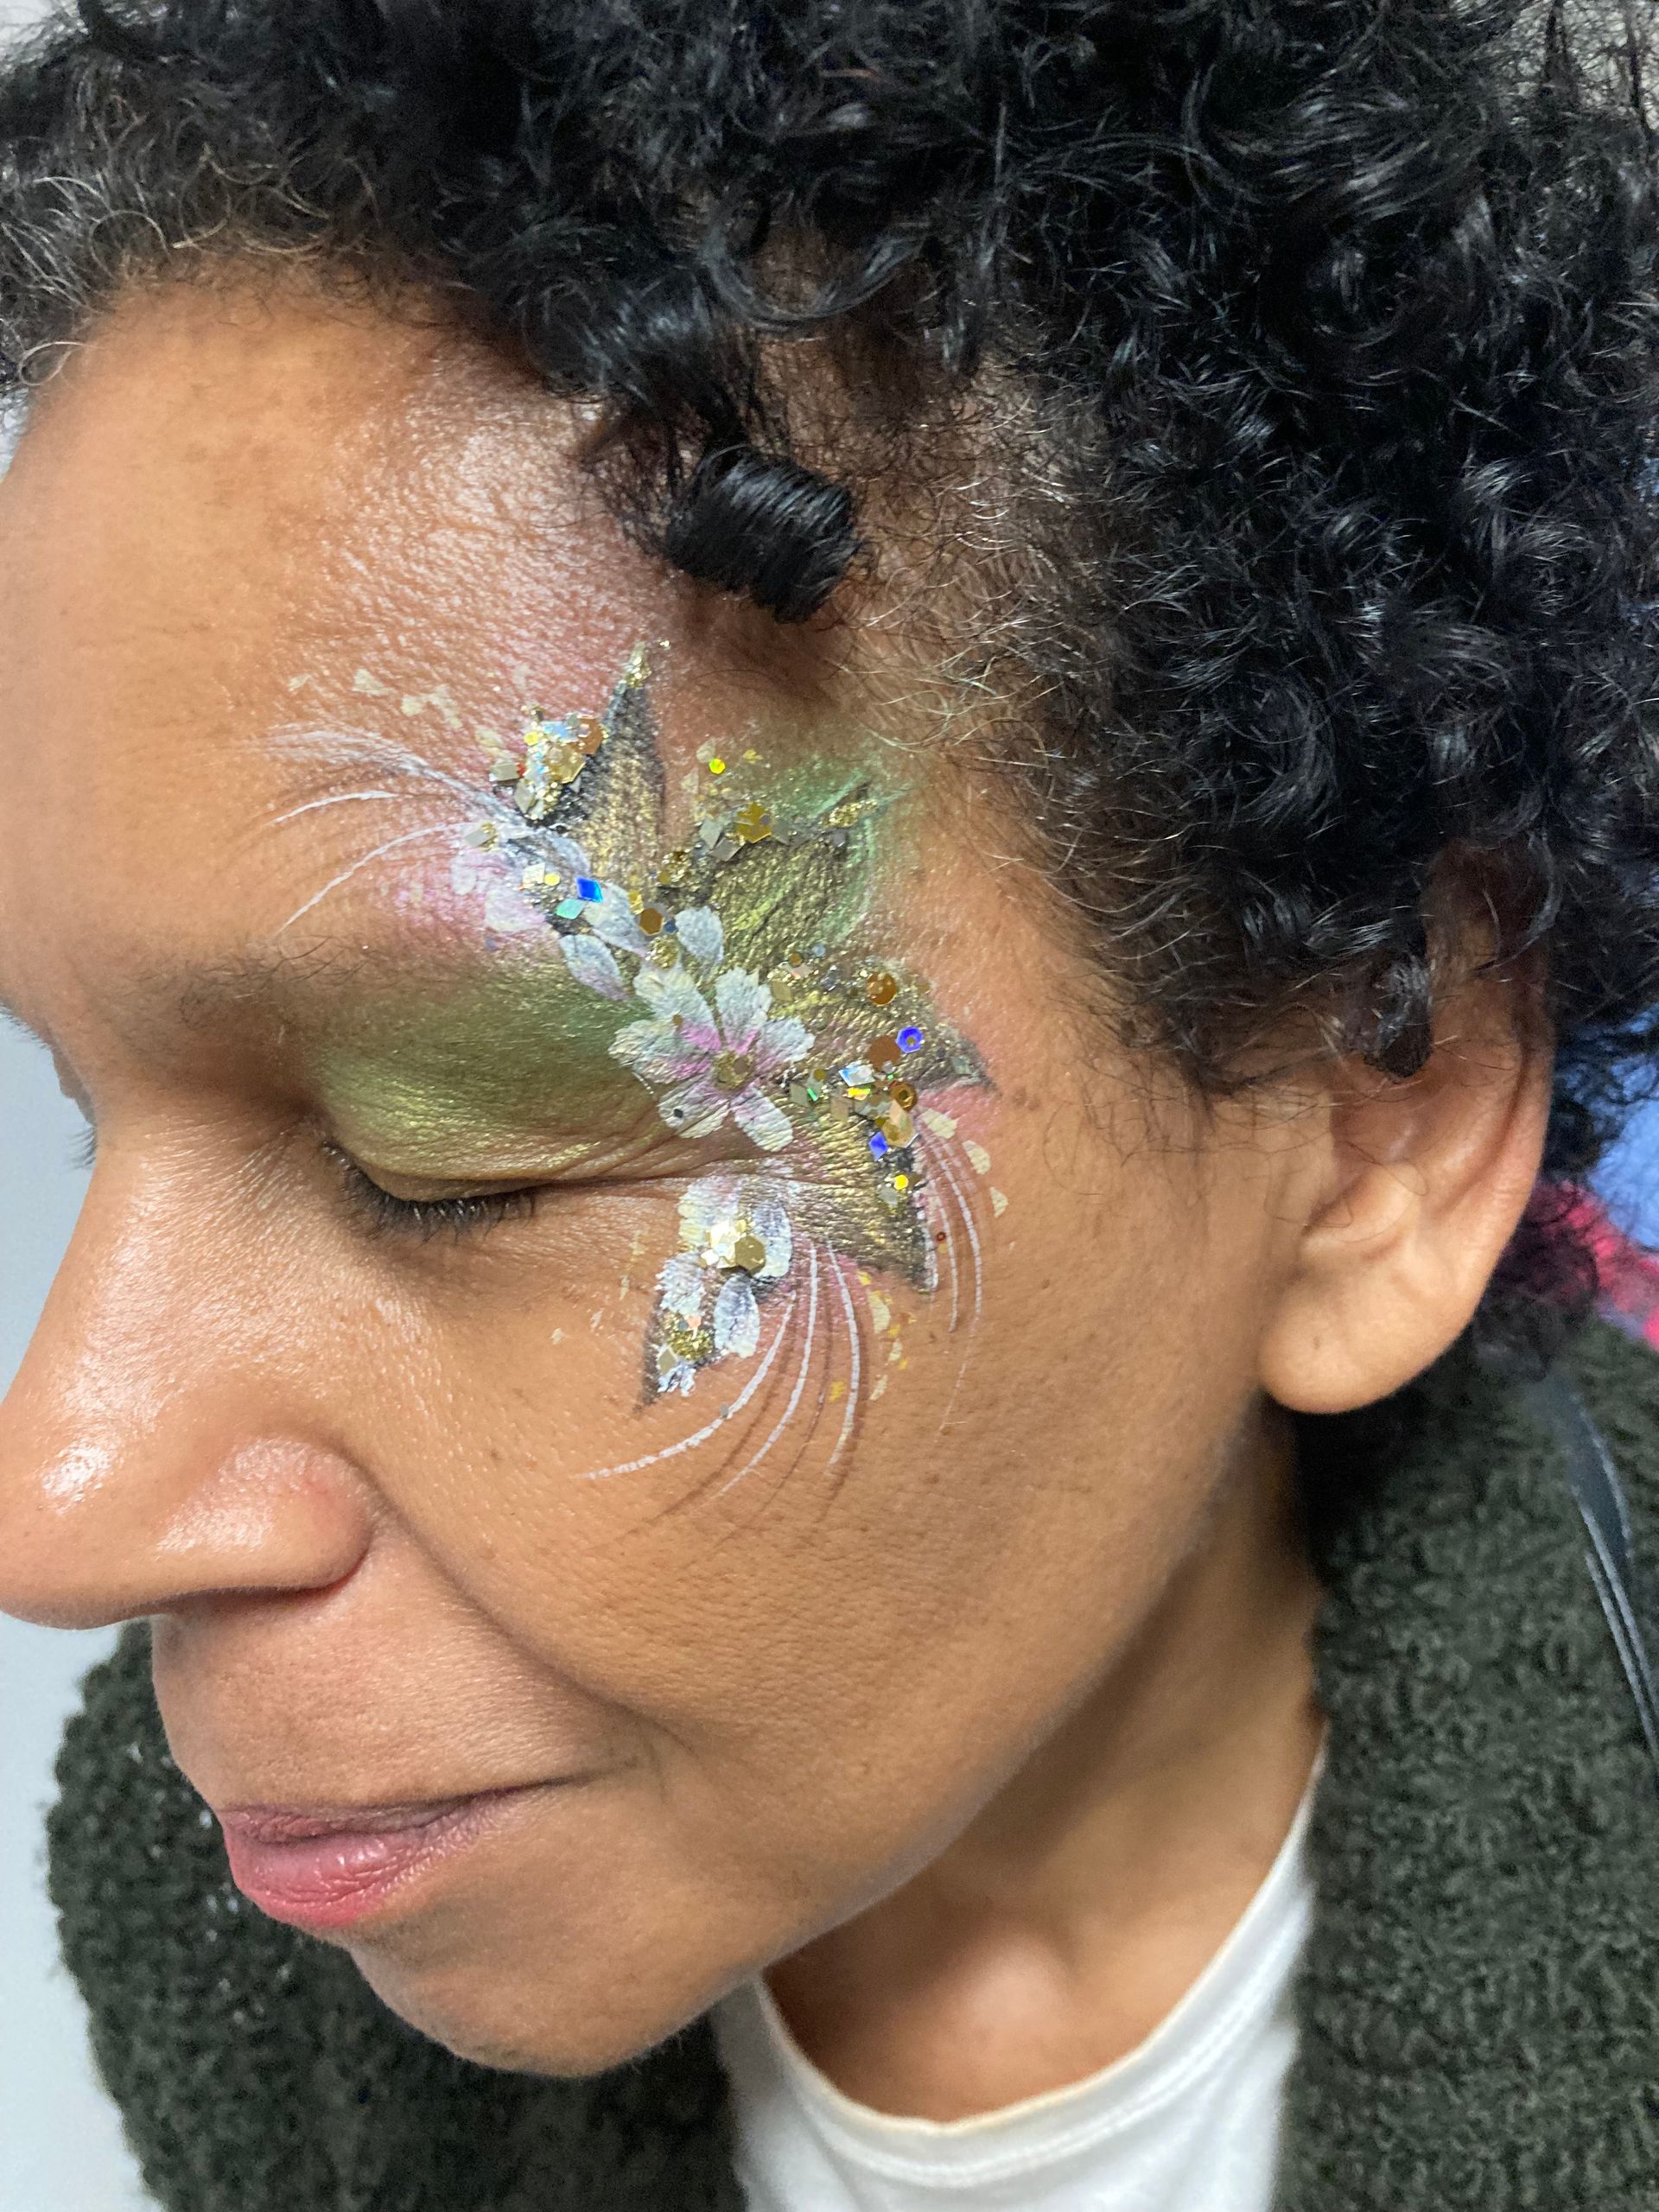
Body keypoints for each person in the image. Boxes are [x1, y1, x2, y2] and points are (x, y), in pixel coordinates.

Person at [2, 3, 1657, 2207]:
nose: (63, 1507)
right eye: (85, 1100)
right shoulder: (221, 1923)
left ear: (1379, 1105)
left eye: (444, 1164)